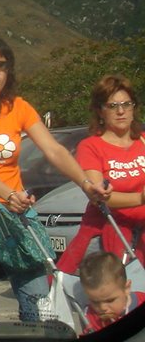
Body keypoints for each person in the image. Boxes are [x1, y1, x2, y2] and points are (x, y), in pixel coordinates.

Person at [0, 35, 109, 323]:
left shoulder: (17, 107)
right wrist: (9, 193)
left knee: (38, 302)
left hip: (15, 214)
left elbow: (54, 150)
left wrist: (86, 183)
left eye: (3, 65)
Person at [58, 74, 145, 274]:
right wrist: (140, 198)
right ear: (100, 111)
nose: (121, 111)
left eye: (126, 104)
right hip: (111, 235)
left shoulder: (143, 141)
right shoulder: (91, 146)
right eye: (112, 106)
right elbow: (100, 196)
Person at [79, 250, 145, 335]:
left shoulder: (141, 301)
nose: (102, 308)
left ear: (126, 288)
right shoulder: (90, 317)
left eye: (110, 300)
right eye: (95, 302)